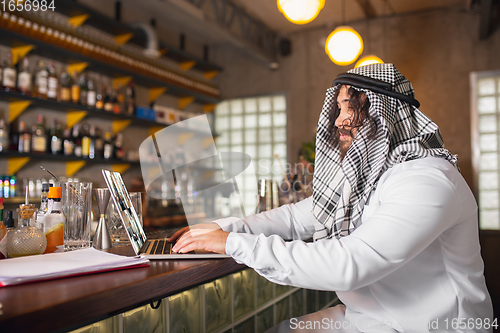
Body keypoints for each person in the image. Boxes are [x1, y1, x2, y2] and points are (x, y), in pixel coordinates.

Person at [170, 63, 494, 332]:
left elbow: (349, 264)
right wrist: (222, 227)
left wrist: (231, 244)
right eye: (338, 107)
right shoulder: (370, 175)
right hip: (369, 321)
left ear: (386, 115)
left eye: (352, 108)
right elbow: (300, 215)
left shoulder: (427, 179)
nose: (339, 120)